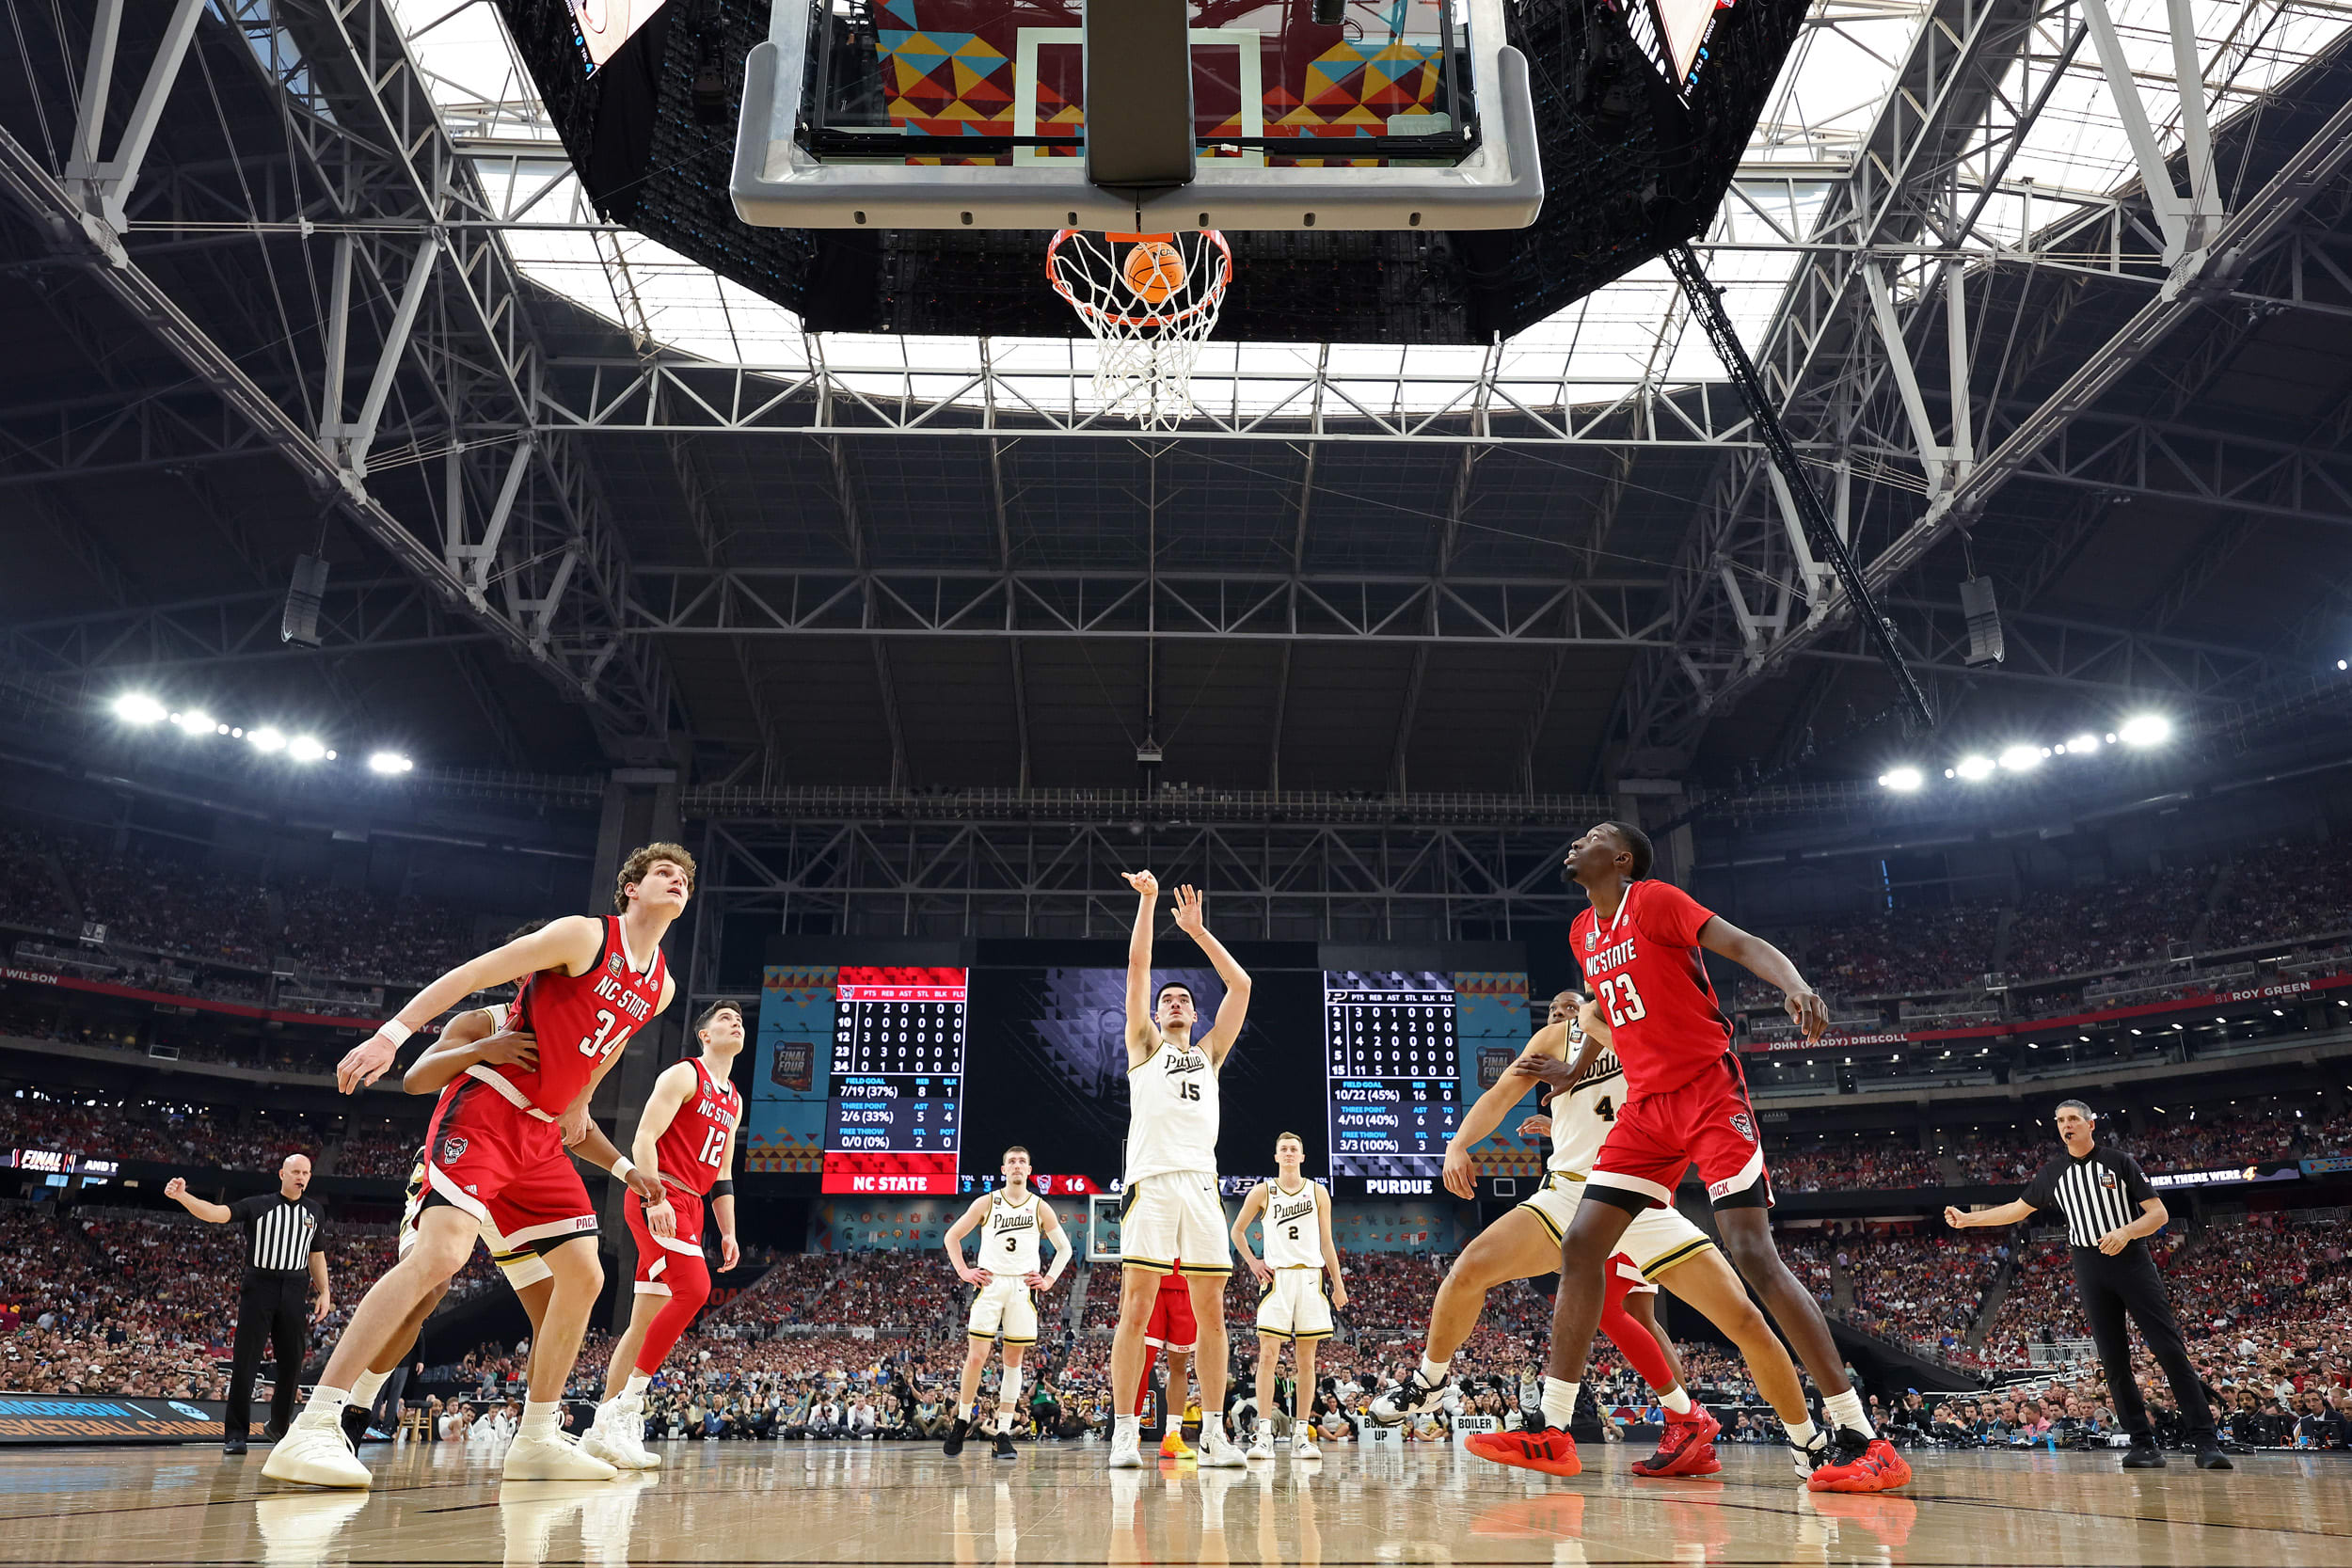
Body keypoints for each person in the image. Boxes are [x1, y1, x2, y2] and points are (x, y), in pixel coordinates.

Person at [1475, 822, 1908, 1493]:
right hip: (1646, 1109)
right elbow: (1609, 1016)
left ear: (1619, 858)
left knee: (1752, 1252)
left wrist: (1793, 982)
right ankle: (1554, 1428)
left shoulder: (1654, 900)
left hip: (1707, 1089)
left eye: (1591, 835)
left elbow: (1740, 942)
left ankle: (1860, 1433)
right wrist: (1571, 1073)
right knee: (1583, 1243)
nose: (1575, 842)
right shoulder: (1582, 933)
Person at [264, 842, 692, 1488]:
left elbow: (612, 1042)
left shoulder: (659, 985)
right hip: (488, 1114)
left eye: (686, 878)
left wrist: (580, 1100)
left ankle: (538, 1436)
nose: (678, 881)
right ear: (630, 887)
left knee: (585, 1272)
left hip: (541, 1137)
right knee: (439, 1261)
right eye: (665, 872)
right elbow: (474, 969)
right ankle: (317, 1423)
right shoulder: (582, 937)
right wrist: (392, 1033)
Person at [1378, 989, 1820, 1481]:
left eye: (1575, 1003)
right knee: (1469, 1270)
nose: (1564, 1011)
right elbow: (1501, 1094)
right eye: (1556, 1008)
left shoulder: (1640, 1024)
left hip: (1639, 1193)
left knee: (1739, 1317)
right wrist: (1459, 1143)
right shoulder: (1553, 1040)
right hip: (1570, 1193)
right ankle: (1429, 1382)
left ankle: (1807, 1442)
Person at [1947, 1099, 2230, 1471]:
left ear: (2090, 1124)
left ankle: (2206, 1441)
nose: (2067, 1125)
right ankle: (2143, 1443)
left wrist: (2127, 1232)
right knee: (2113, 1361)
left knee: (2169, 1349)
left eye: (2074, 1119)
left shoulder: (2118, 1161)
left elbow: (2158, 1214)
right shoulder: (2052, 1173)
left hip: (2132, 1260)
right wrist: (1968, 1220)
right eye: (2060, 1120)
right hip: (2089, 1265)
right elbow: (2016, 1210)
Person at [1106, 872, 1253, 1470]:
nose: (1173, 1003)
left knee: (1211, 1313)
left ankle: (1213, 1433)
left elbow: (1240, 984)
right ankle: (1122, 1432)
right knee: (1134, 1310)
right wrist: (1148, 904)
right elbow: (1139, 965)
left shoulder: (1210, 1054)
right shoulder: (1144, 1046)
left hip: (1200, 1188)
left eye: (1182, 999)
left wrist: (1197, 932)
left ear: (1195, 1013)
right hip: (1152, 1184)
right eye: (1167, 999)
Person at [579, 997, 747, 1469]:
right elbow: (644, 1139)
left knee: (642, 1323)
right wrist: (657, 1198)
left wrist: (728, 1231)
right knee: (696, 1288)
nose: (735, 1023)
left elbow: (723, 1174)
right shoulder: (683, 1075)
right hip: (661, 1193)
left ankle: (600, 1432)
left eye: (738, 1020)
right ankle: (628, 1406)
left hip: (693, 1202)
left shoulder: (732, 1100)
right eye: (724, 1019)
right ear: (705, 1035)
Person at [165, 1156, 330, 1454]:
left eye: (306, 1173)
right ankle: (235, 1434)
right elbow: (216, 1214)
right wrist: (182, 1196)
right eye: (296, 1171)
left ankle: (279, 1426)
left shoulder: (315, 1211)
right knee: (246, 1361)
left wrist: (325, 1292)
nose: (301, 1177)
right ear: (282, 1174)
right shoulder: (259, 1205)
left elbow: (316, 1255)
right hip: (260, 1286)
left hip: (295, 1288)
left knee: (293, 1362)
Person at [941, 1145, 1073, 1459]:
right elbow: (951, 1236)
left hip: (1022, 1288)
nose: (1016, 1165)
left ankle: (1002, 1432)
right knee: (977, 1357)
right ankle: (962, 1420)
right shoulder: (987, 1201)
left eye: (1022, 1162)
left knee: (1013, 1361)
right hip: (990, 1283)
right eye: (1011, 1161)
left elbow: (1065, 1249)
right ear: (1003, 1170)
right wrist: (963, 1270)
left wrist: (1050, 1279)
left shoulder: (1040, 1207)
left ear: (1029, 1170)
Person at [1231, 1132, 1347, 1460]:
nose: (1289, 1153)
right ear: (1276, 1156)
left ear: (1303, 1156)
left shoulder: (1317, 1191)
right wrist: (1253, 1262)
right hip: (1278, 1280)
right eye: (1283, 1149)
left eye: (1294, 1148)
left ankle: (1301, 1435)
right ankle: (1264, 1433)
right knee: (1268, 1356)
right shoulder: (1263, 1191)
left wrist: (1337, 1283)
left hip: (1311, 1278)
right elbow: (1237, 1230)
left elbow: (1327, 1242)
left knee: (1306, 1361)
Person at [1139, 1261, 1199, 1458]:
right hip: (1150, 1281)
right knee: (1141, 1364)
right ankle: (1129, 1434)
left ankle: (1172, 1434)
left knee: (1180, 1365)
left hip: (1186, 1284)